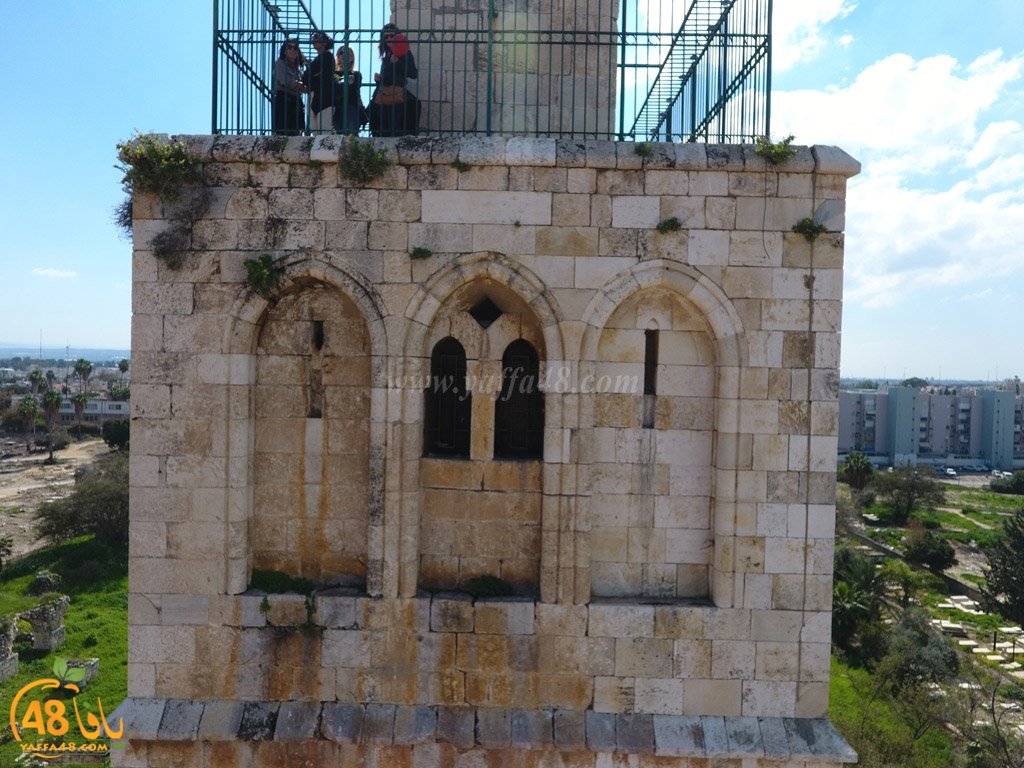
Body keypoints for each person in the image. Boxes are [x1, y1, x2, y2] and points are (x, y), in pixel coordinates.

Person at [369, 23, 420, 137]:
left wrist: (398, 62)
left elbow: (413, 73)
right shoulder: (386, 57)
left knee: (412, 106)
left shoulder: (405, 53)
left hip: (397, 92)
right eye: (386, 37)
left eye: (391, 36)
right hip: (384, 92)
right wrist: (378, 79)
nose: (389, 39)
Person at [302, 31, 335, 134]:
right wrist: (312, 74)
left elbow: (309, 75)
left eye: (317, 37)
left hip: (324, 97)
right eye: (313, 38)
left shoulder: (327, 56)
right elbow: (306, 77)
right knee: (315, 130)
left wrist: (311, 75)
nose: (314, 40)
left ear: (325, 42)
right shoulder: (318, 59)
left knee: (324, 130)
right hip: (315, 96)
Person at [272, 40, 307, 136]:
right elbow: (284, 81)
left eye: (295, 48)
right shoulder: (280, 63)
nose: (292, 50)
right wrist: (301, 86)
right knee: (283, 131)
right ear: (284, 50)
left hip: (296, 101)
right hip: (284, 100)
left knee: (296, 131)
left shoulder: (298, 68)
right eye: (289, 47)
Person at [333, 46, 365, 135]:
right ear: (337, 56)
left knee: (351, 136)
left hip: (352, 107)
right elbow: (334, 89)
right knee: (337, 137)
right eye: (341, 53)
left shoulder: (356, 74)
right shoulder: (333, 74)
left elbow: (353, 89)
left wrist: (340, 86)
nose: (344, 55)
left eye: (348, 53)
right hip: (336, 109)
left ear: (352, 58)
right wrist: (346, 85)